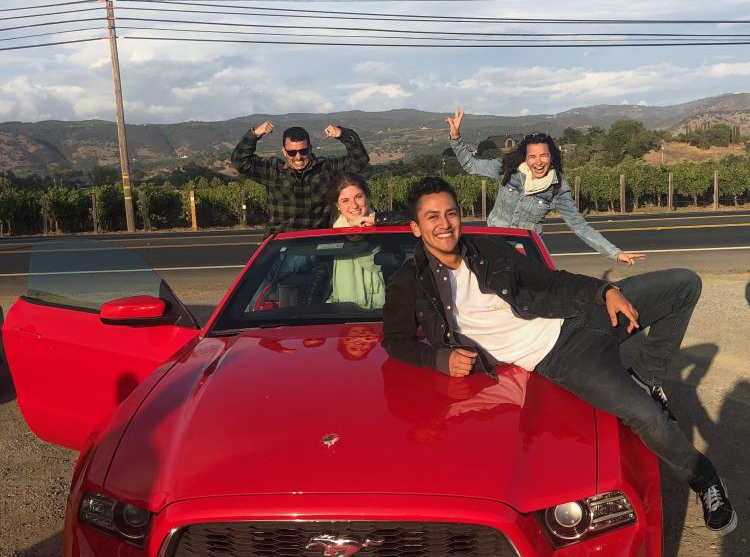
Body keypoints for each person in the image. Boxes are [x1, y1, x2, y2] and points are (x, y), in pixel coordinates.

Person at [382, 176, 737, 535]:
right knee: (646, 416)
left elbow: (550, 282)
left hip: (582, 314)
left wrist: (605, 290)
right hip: (562, 356)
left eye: (451, 213)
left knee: (683, 284)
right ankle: (704, 478)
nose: (444, 224)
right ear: (415, 227)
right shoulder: (409, 282)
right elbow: (395, 340)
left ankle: (645, 377)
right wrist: (440, 359)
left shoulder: (488, 249)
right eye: (432, 217)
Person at [445, 106, 644, 266]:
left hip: (525, 253)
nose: (538, 162)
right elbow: (471, 165)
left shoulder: (557, 188)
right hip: (493, 248)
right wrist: (455, 138)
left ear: (551, 157)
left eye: (543, 155)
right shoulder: (507, 169)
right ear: (525, 157)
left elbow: (580, 227)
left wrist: (616, 254)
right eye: (532, 156)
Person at [231, 121, 369, 233]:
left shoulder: (326, 169)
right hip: (282, 246)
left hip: (316, 244)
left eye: (303, 151)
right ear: (284, 152)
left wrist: (342, 134)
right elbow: (240, 162)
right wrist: (254, 134)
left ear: (310, 148)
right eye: (292, 152)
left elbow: (360, 160)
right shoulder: (272, 170)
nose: (298, 157)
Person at [327, 172, 386, 309]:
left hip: (386, 313)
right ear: (337, 205)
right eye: (345, 200)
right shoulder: (330, 239)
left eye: (358, 197)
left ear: (367, 197)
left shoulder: (387, 230)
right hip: (346, 316)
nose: (354, 206)